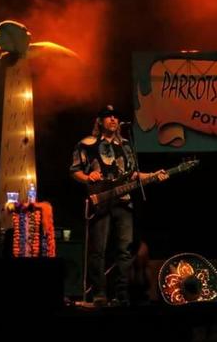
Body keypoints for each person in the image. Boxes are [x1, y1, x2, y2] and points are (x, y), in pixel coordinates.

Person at [70, 105, 167, 306]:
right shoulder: (86, 144)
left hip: (124, 202)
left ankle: (122, 295)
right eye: (108, 117)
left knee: (125, 249)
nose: (113, 119)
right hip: (102, 201)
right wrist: (88, 177)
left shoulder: (126, 145)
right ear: (100, 121)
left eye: (116, 117)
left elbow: (133, 174)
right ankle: (99, 294)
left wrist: (153, 175)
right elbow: (74, 171)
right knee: (99, 250)